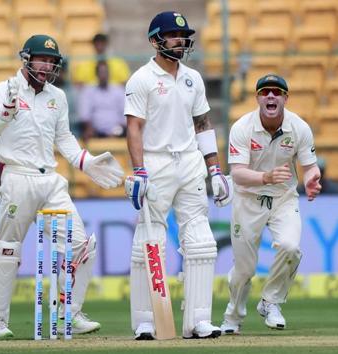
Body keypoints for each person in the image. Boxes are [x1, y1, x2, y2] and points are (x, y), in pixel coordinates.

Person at [0, 34, 124, 338]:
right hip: (17, 177)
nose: (47, 66)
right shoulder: (5, 87)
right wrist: (6, 109)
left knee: (81, 245)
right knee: (8, 249)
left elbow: (65, 140)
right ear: (27, 59)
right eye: (43, 59)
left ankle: (68, 314)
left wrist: (87, 162)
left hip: (50, 181)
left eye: (52, 61)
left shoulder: (56, 97)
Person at [123, 11, 232, 340]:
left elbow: (203, 124)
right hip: (156, 161)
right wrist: (139, 169)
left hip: (189, 162)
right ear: (156, 39)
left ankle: (198, 320)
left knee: (200, 242)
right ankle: (145, 321)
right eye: (174, 35)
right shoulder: (141, 79)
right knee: (149, 242)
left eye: (184, 36)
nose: (181, 41)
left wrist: (214, 167)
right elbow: (134, 127)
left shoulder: (193, 78)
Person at [221, 74, 322, 334]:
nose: (270, 96)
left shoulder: (299, 127)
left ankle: (271, 301)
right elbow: (238, 173)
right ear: (257, 98)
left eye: (277, 92)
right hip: (247, 199)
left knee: (290, 247)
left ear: (286, 98)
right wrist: (265, 176)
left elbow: (309, 167)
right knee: (244, 269)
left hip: (283, 198)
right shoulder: (242, 128)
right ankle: (232, 318)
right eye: (265, 92)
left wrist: (312, 179)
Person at [77, 60, 126, 142]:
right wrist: (90, 130)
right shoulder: (88, 91)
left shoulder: (119, 90)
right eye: (101, 72)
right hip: (95, 133)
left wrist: (115, 133)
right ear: (96, 74)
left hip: (118, 133)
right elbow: (84, 115)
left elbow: (125, 117)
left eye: (105, 72)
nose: (103, 75)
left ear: (109, 73)